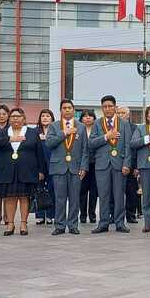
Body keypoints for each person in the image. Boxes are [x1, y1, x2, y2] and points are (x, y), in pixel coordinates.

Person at [0, 108, 45, 236]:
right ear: (9, 119)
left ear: (24, 118)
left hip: (27, 170)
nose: (15, 118)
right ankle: (10, 223)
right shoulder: (3, 132)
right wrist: (9, 139)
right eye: (13, 116)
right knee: (10, 198)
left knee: (24, 197)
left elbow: (39, 152)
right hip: (8, 170)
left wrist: (41, 170)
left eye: (18, 116)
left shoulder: (32, 132)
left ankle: (23, 223)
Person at [89, 95, 133, 234]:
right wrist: (106, 136)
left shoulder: (124, 123)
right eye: (104, 107)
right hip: (102, 164)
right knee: (103, 195)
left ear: (115, 107)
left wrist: (127, 163)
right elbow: (91, 143)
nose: (107, 109)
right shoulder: (97, 123)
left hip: (119, 164)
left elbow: (128, 146)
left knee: (119, 194)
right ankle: (103, 223)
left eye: (110, 106)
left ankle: (120, 223)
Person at [46, 99, 89, 235]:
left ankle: (72, 225)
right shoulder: (54, 126)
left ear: (73, 110)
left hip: (76, 167)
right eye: (64, 108)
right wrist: (64, 132)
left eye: (70, 108)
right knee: (59, 198)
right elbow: (50, 143)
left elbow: (85, 149)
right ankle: (59, 225)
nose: (67, 110)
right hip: (59, 167)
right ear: (61, 111)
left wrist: (84, 167)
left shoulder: (81, 127)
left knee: (75, 198)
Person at [130, 104, 150, 233]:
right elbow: (133, 143)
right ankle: (148, 223)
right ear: (147, 115)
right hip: (145, 165)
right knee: (147, 195)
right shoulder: (141, 128)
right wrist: (148, 138)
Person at [118, 106, 140, 224]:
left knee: (131, 191)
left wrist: (136, 166)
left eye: (123, 113)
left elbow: (136, 148)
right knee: (115, 191)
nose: (121, 115)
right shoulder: (114, 127)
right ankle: (114, 214)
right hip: (116, 163)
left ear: (128, 115)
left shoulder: (134, 128)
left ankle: (131, 215)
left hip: (131, 164)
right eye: (119, 113)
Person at [35, 109, 56, 225]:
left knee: (52, 190)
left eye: (48, 116)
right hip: (39, 165)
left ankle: (51, 214)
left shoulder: (56, 131)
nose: (45, 118)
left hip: (53, 164)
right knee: (39, 190)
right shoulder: (35, 132)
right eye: (43, 116)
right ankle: (40, 215)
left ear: (52, 118)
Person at [79, 109, 98, 224]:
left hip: (95, 163)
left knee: (94, 191)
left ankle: (92, 214)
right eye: (85, 116)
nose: (87, 118)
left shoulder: (97, 129)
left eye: (90, 116)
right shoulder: (79, 130)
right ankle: (82, 215)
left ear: (94, 118)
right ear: (81, 119)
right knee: (82, 191)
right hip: (81, 164)